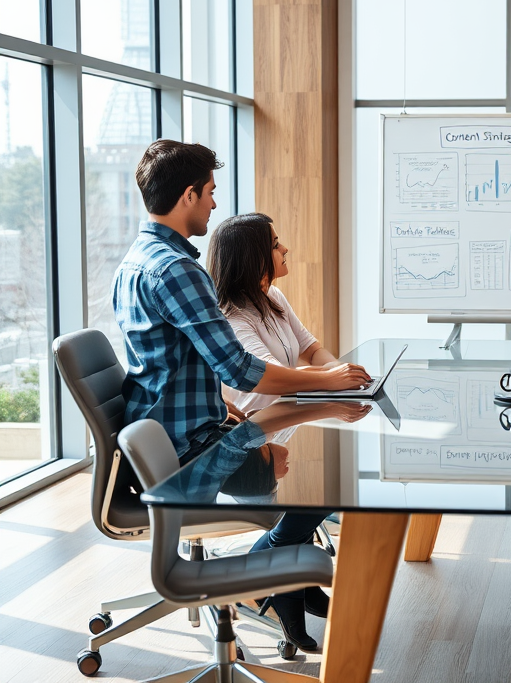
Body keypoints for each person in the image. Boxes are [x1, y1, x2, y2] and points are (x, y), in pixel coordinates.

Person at [112, 139, 372, 651]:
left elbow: (176, 365)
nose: (213, 203)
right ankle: (273, 584)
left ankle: (286, 586)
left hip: (173, 437)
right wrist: (328, 382)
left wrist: (231, 411)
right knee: (320, 479)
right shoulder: (177, 270)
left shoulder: (135, 261)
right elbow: (239, 368)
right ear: (188, 195)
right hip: (185, 454)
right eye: (209, 192)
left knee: (307, 461)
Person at [207, 212, 340, 415]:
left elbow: (312, 351)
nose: (285, 249)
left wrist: (340, 373)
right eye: (275, 245)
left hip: (284, 419)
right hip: (256, 430)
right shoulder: (232, 317)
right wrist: (333, 376)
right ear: (253, 258)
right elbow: (273, 376)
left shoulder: (273, 295)